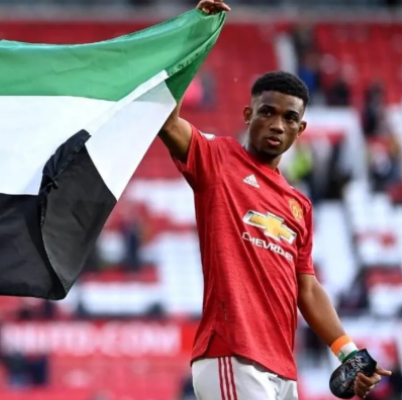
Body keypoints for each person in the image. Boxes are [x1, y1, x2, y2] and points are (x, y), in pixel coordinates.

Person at [158, 1, 393, 399]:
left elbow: (308, 289)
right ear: (248, 114)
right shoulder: (218, 159)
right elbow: (167, 121)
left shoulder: (299, 204)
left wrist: (348, 353)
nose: (278, 124)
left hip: (283, 368)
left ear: (301, 129)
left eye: (289, 118)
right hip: (232, 355)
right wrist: (193, 38)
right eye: (267, 112)